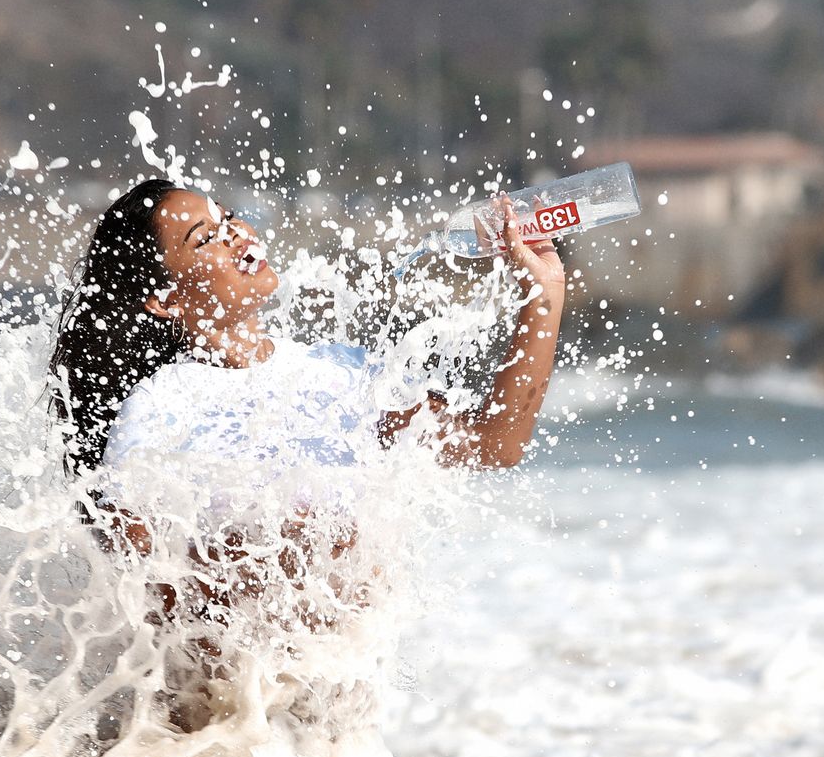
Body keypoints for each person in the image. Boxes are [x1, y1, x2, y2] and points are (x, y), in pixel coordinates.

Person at [49, 176, 568, 561]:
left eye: (228, 217)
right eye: (206, 238)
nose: (235, 235)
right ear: (164, 299)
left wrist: (544, 296)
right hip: (231, 703)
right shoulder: (159, 410)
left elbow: (495, 444)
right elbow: (143, 589)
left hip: (339, 699)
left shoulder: (341, 374)